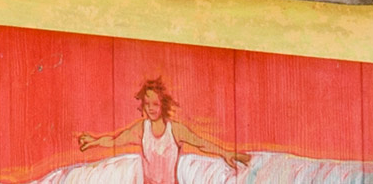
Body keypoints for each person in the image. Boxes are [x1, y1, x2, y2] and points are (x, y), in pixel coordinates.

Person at [74, 79, 249, 184]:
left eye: (155, 104)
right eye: (147, 104)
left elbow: (201, 144)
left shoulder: (175, 130)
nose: (151, 109)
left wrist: (225, 153)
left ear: (163, 105)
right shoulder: (141, 129)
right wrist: (95, 141)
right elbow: (115, 141)